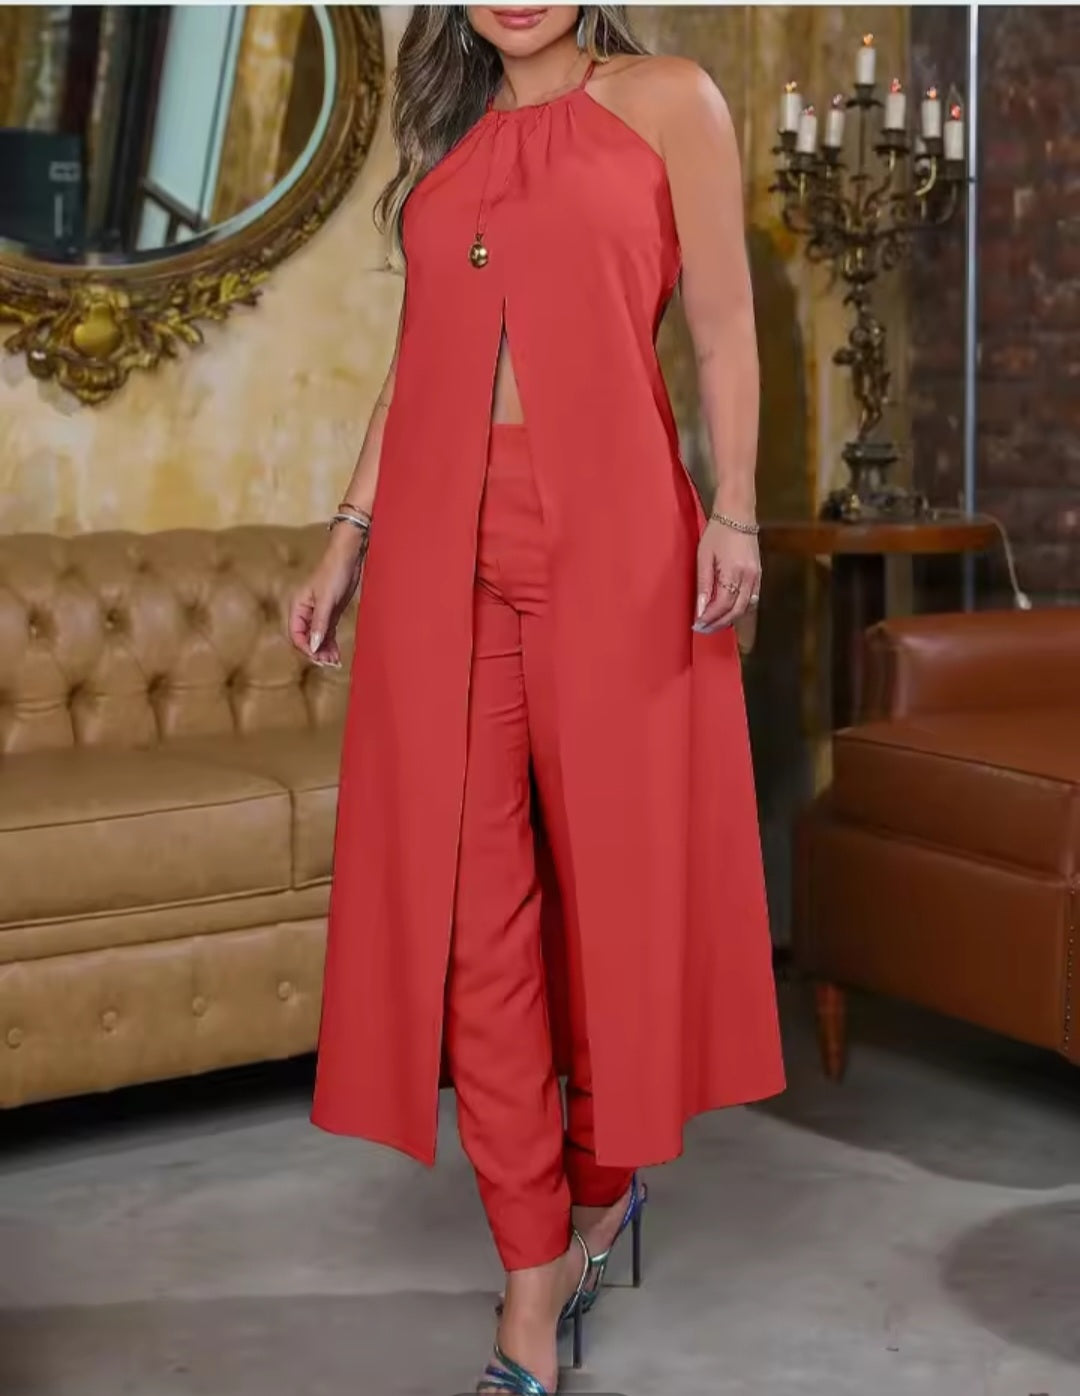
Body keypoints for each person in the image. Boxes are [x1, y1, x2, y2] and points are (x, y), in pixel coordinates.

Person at [289, 6, 785, 1392]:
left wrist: (734, 511)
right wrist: (349, 533)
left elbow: (726, 319)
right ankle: (529, 1268)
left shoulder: (670, 97)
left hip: (617, 545)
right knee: (471, 922)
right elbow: (418, 363)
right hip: (445, 559)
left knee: (616, 905)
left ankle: (601, 1188)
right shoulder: (453, 141)